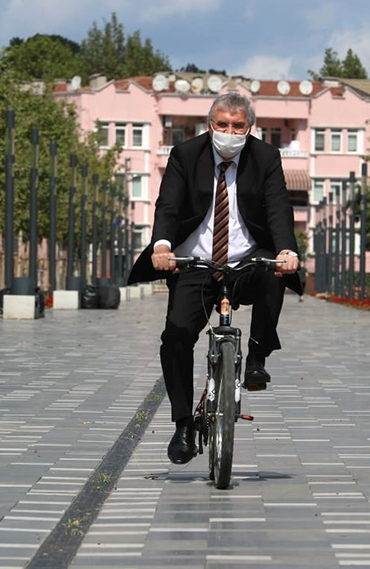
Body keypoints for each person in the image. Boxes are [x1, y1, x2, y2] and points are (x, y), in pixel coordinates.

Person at [128, 92, 302, 465]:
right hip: (195, 262)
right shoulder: (186, 155)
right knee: (175, 336)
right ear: (210, 126)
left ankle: (256, 357)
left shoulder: (266, 158)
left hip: (245, 260)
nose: (229, 132)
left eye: (238, 126)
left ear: (249, 129)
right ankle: (183, 425)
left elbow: (277, 208)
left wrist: (286, 249)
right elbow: (169, 205)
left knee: (274, 272)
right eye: (222, 125)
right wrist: (161, 246)